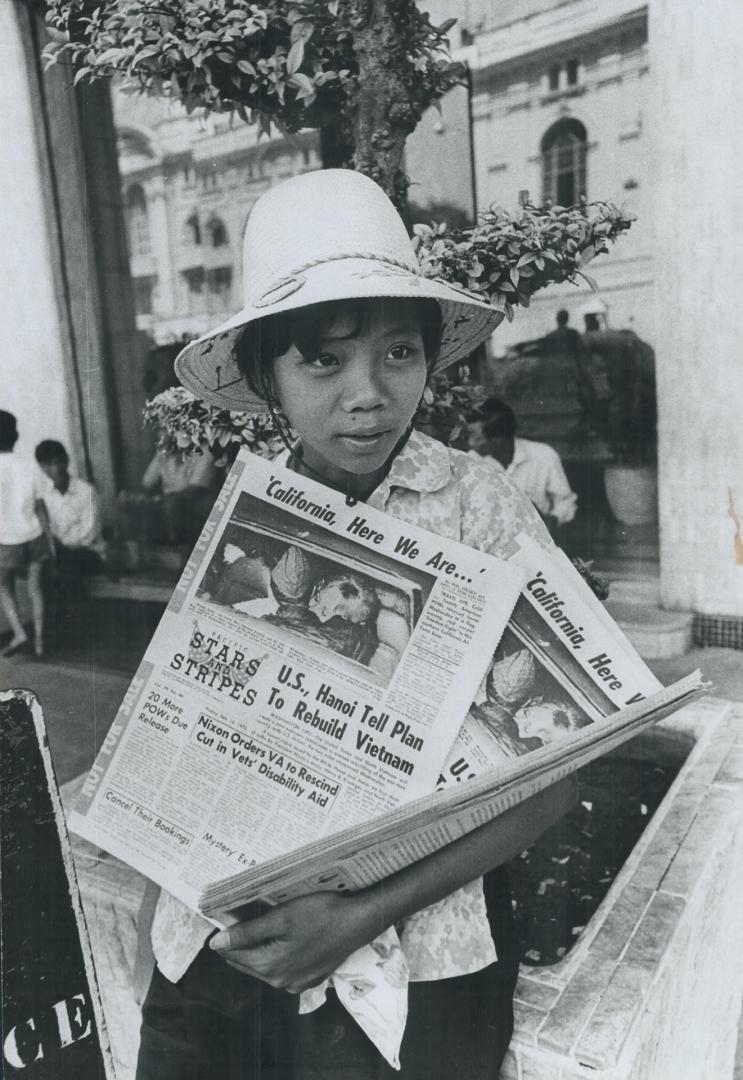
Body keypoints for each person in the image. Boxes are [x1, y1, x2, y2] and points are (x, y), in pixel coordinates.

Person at [135, 168, 577, 1080]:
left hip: (421, 964)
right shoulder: (248, 512)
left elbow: (562, 767)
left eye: (398, 353)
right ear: (264, 375)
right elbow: (188, 733)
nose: (368, 393)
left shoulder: (476, 505)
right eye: (322, 360)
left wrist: (358, 914)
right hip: (222, 959)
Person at [470, 398, 578, 533]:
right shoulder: (471, 461)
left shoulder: (543, 455)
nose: (470, 443)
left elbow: (566, 501)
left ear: (498, 438)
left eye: (475, 437)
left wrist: (552, 520)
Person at [0, 411, 54, 657]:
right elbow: (42, 508)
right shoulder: (29, 466)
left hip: (7, 540)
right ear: (15, 436)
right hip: (34, 535)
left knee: (4, 587)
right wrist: (51, 543)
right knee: (35, 589)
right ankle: (41, 642)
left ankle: (20, 633)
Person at [34, 439, 107, 593]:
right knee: (39, 567)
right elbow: (47, 530)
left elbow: (90, 532)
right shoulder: (45, 497)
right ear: (42, 467)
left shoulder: (86, 491)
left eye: (58, 462)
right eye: (48, 465)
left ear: (66, 460)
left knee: (67, 564)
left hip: (89, 552)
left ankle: (72, 611)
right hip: (61, 555)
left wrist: (63, 546)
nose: (55, 469)